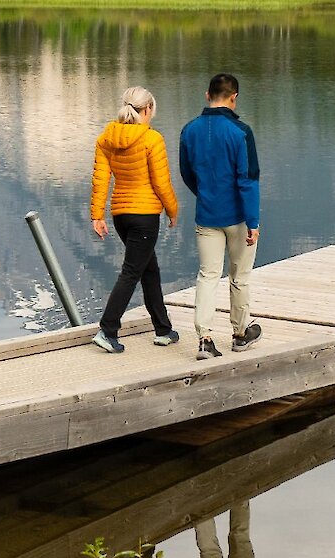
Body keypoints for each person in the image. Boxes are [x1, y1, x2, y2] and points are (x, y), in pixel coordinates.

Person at [88, 86, 181, 353]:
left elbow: (101, 180)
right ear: (148, 109)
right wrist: (172, 211)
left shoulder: (106, 138)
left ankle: (163, 329)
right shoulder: (152, 139)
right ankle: (107, 329)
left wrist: (97, 215)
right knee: (132, 271)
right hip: (145, 215)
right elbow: (161, 183)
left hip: (121, 215)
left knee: (148, 270)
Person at [177, 72, 261, 360]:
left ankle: (205, 339)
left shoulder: (189, 130)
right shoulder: (241, 132)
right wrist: (254, 222)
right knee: (240, 276)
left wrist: (204, 194)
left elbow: (187, 173)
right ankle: (239, 334)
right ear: (234, 97)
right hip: (237, 216)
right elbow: (248, 180)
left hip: (207, 215)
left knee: (208, 275)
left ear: (207, 95)